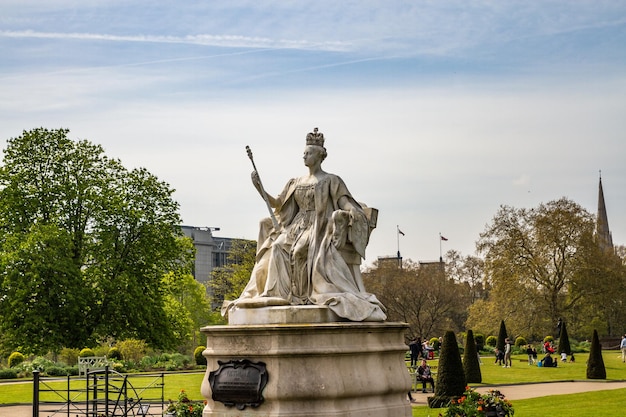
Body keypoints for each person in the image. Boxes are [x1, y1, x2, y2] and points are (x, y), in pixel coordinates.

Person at [222, 129, 386, 322]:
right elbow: (277, 203)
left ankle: (301, 296)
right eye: (304, 153)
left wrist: (352, 213)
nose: (304, 156)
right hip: (296, 226)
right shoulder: (296, 181)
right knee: (277, 246)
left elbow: (345, 203)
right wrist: (260, 189)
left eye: (308, 153)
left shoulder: (331, 180)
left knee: (299, 250)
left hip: (319, 227)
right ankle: (275, 293)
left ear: (319, 156)